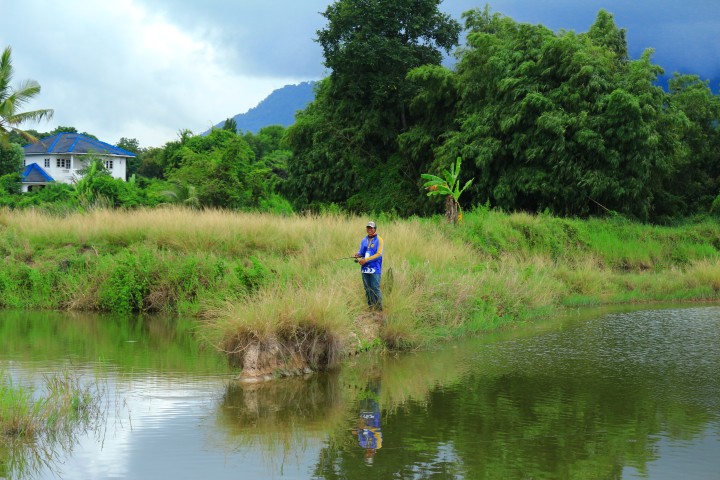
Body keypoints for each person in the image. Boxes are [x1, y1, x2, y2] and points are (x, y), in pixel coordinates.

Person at [354, 221, 383, 311]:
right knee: (367, 288)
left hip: (375, 268)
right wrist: (358, 255)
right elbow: (362, 252)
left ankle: (379, 309)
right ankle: (371, 307)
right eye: (368, 227)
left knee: (375, 288)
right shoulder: (364, 240)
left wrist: (366, 260)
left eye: (371, 228)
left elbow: (379, 254)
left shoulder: (379, 240)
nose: (369, 229)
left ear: (375, 229)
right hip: (365, 268)